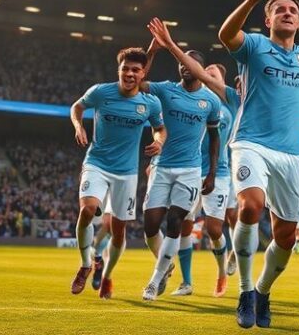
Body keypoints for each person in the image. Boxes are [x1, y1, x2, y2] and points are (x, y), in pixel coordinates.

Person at [216, 0, 299, 329]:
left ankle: (263, 290)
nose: (287, 13)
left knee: (287, 237)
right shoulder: (253, 46)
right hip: (250, 143)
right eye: (280, 9)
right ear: (268, 20)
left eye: (292, 10)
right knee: (250, 206)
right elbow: (225, 35)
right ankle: (246, 292)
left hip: (293, 155)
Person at [145, 22, 243, 298]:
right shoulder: (179, 95)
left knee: (213, 227)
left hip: (219, 172)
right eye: (205, 70)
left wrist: (213, 171)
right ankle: (185, 281)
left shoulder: (225, 104)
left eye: (211, 72)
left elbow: (216, 139)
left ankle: (223, 270)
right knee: (181, 225)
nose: (205, 73)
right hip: (181, 167)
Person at [70, 47, 166, 299]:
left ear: (143, 73)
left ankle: (108, 276)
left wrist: (159, 141)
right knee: (87, 210)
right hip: (97, 163)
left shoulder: (150, 103)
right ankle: (85, 264)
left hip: (126, 173)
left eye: (136, 70)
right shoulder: (101, 92)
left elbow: (160, 129)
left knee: (119, 230)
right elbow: (77, 107)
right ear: (119, 70)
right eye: (125, 69)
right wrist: (78, 125)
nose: (130, 73)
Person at [139, 48, 222, 301]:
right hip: (161, 166)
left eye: (191, 64)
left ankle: (154, 281)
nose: (185, 67)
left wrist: (212, 174)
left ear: (199, 68)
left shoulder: (211, 101)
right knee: (150, 227)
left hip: (190, 171)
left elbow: (214, 138)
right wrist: (152, 50)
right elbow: (140, 82)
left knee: (175, 223)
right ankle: (167, 267)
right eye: (181, 63)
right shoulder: (165, 89)